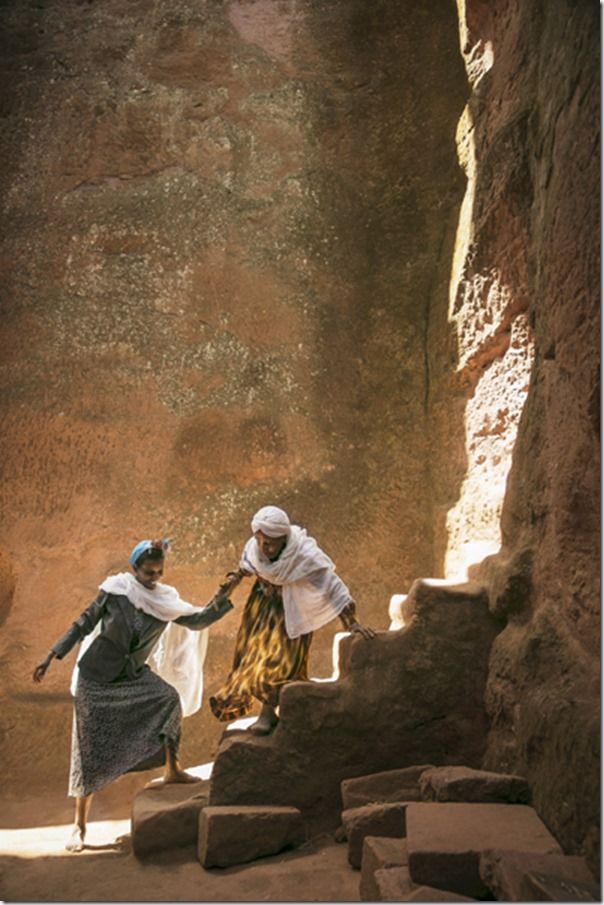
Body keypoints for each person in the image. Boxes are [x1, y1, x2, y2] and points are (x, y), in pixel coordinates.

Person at [33, 538, 234, 853]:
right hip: (96, 678)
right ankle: (79, 826)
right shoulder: (116, 592)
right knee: (89, 748)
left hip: (131, 676)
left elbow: (198, 620)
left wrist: (225, 595)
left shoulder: (165, 601)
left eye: (159, 572)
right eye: (148, 572)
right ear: (134, 568)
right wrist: (51, 655)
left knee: (168, 699)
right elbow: (83, 624)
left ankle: (172, 770)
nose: (154, 578)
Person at [209, 505, 375, 736]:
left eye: (269, 544)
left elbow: (334, 589)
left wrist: (352, 623)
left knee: (278, 661)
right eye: (260, 541)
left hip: (291, 614)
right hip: (261, 610)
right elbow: (244, 569)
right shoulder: (255, 549)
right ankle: (265, 710)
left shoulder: (304, 557)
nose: (263, 548)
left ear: (283, 539)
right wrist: (224, 592)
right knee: (251, 658)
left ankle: (268, 713)